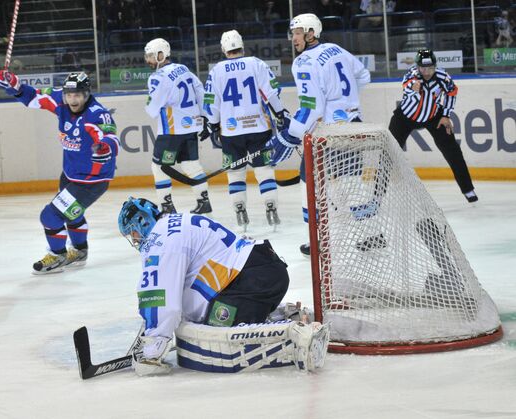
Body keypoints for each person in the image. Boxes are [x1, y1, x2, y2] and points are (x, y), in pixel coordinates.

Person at [117, 197, 329, 375]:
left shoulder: (159, 240)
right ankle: (287, 315)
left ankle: (299, 335)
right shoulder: (177, 222)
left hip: (247, 280)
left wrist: (153, 348)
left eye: (132, 233)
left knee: (211, 330)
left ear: (142, 223)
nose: (135, 240)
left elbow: (160, 297)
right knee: (198, 315)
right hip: (263, 270)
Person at [266, 13, 371, 255]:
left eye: (298, 32)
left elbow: (312, 108)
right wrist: (345, 103)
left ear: (312, 32)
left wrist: (291, 134)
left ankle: (315, 240)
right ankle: (370, 234)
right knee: (351, 179)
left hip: (328, 133)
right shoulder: (336, 49)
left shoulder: (304, 62)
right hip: (353, 125)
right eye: (293, 33)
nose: (294, 38)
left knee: (308, 181)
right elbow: (363, 76)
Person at [0, 71, 120, 274]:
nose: (73, 99)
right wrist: (14, 85)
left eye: (78, 95)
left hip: (91, 181)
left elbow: (110, 136)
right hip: (71, 175)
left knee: (50, 216)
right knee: (72, 215)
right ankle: (80, 251)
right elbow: (34, 96)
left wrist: (104, 148)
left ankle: (57, 255)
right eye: (69, 95)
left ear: (87, 94)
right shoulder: (60, 99)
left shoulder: (96, 113)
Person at [203, 29, 287, 230]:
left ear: (224, 49)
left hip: (231, 133)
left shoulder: (216, 71)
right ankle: (271, 205)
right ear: (242, 46)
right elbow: (272, 92)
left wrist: (213, 124)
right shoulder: (256, 64)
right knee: (264, 169)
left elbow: (211, 103)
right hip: (259, 128)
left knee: (235, 172)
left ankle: (239, 207)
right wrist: (280, 114)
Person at [388, 49, 478, 203]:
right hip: (405, 118)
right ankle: (376, 197)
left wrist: (445, 115)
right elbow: (407, 86)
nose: (427, 72)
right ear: (417, 67)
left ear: (435, 66)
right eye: (423, 68)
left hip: (434, 117)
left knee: (453, 151)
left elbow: (452, 92)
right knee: (388, 153)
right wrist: (413, 87)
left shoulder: (443, 77)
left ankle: (468, 190)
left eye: (430, 68)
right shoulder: (412, 75)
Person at [143, 38, 213, 215]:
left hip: (171, 131)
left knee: (158, 167)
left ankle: (167, 207)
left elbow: (152, 109)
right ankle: (204, 202)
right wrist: (206, 118)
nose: (148, 60)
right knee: (191, 166)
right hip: (191, 128)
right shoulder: (183, 69)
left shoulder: (157, 77)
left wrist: (150, 102)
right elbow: (201, 92)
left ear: (161, 55)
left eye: (151, 56)